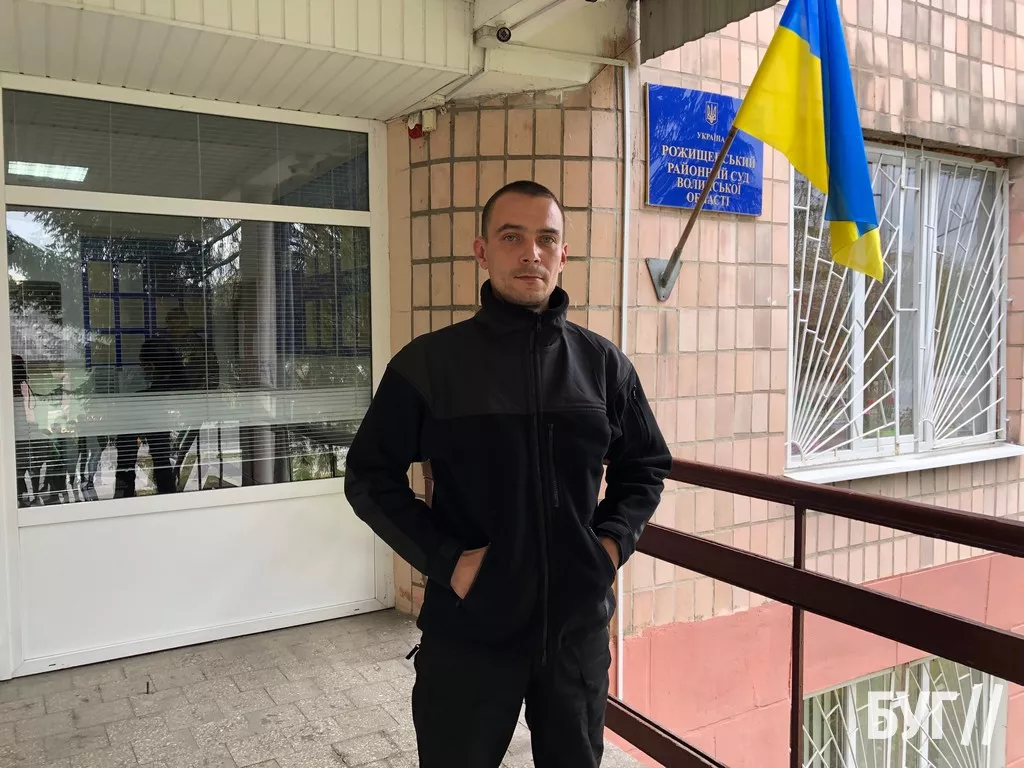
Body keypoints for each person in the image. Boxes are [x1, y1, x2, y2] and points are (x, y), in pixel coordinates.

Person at [343, 180, 672, 768]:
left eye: (546, 239)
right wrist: (448, 560)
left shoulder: (602, 365)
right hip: (469, 632)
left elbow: (645, 465)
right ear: (482, 251)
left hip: (574, 635)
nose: (531, 254)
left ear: (563, 254)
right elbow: (369, 476)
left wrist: (607, 547)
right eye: (512, 237)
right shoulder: (430, 364)